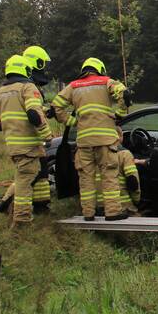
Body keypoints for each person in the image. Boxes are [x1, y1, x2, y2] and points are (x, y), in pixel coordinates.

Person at [51, 58, 130, 221]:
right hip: (105, 140)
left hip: (84, 141)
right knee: (109, 175)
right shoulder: (106, 81)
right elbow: (124, 93)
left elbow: (56, 105)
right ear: (100, 69)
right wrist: (121, 113)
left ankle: (88, 213)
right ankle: (112, 212)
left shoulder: (73, 86)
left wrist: (73, 122)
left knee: (86, 178)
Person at [0, 56, 48, 224]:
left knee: (24, 175)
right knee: (24, 181)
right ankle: (22, 219)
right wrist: (47, 135)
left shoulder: (1, 91)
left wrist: (10, 130)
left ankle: (9, 205)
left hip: (12, 144)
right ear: (26, 69)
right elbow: (33, 114)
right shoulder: (27, 86)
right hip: (28, 144)